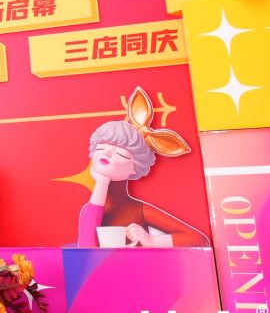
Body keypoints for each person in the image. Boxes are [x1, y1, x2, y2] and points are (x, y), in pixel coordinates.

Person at [77, 86, 209, 248]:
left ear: (135, 168)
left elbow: (199, 239)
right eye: (101, 148)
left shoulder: (138, 209)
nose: (107, 153)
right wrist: (102, 182)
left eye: (120, 154)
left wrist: (151, 241)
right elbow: (86, 248)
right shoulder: (89, 210)